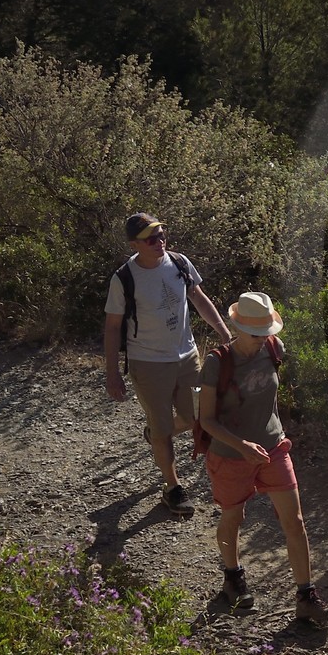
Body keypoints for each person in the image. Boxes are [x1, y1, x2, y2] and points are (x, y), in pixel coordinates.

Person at [198, 291, 328, 628]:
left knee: (296, 521)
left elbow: (268, 399)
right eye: (258, 333)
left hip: (274, 448)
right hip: (231, 455)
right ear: (238, 329)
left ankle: (306, 597)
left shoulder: (274, 349)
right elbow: (206, 421)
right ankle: (233, 578)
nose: (265, 339)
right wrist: (243, 445)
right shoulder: (218, 363)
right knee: (234, 516)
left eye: (268, 332)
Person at [103, 212, 232, 518]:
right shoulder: (124, 279)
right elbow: (112, 327)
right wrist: (111, 372)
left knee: (193, 418)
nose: (159, 241)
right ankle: (173, 488)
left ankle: (157, 432)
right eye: (151, 238)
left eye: (161, 235)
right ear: (135, 244)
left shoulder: (179, 263)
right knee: (163, 430)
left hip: (186, 356)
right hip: (147, 363)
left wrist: (225, 334)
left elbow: (198, 298)